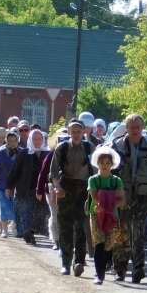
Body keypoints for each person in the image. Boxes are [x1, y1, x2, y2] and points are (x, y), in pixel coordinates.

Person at [111, 114, 147, 284]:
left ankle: (138, 268)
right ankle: (120, 269)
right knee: (120, 232)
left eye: (138, 127)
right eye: (131, 127)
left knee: (139, 233)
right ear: (126, 128)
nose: (135, 130)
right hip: (122, 196)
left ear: (142, 128)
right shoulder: (117, 146)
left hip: (143, 196)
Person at [50, 118, 95, 276]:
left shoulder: (90, 148)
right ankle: (66, 263)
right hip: (66, 188)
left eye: (79, 131)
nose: (76, 134)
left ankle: (79, 262)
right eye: (73, 131)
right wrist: (58, 187)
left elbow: (96, 172)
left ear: (84, 132)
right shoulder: (62, 148)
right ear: (69, 132)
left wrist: (95, 192)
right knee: (65, 226)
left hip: (84, 189)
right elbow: (54, 172)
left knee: (81, 226)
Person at [88, 145, 125, 285]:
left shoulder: (116, 180)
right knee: (99, 243)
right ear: (97, 163)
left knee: (109, 245)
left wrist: (110, 203)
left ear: (112, 164)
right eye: (102, 163)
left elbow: (123, 199)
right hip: (96, 215)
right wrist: (112, 197)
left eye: (107, 163)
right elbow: (94, 197)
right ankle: (99, 274)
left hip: (111, 216)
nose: (104, 165)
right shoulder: (93, 179)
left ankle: (105, 266)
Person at [6, 128, 50, 244]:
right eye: (35, 139)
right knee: (24, 212)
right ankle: (27, 233)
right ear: (31, 139)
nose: (37, 141)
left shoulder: (48, 154)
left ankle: (32, 232)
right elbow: (14, 171)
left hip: (41, 191)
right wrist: (9, 186)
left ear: (43, 140)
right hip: (25, 189)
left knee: (39, 214)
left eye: (39, 138)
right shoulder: (24, 153)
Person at [0, 129, 19, 237]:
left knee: (15, 207)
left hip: (16, 187)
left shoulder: (21, 152)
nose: (12, 143)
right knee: (4, 207)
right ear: (7, 141)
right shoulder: (2, 152)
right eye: (10, 141)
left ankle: (15, 228)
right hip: (2, 185)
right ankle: (4, 229)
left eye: (14, 141)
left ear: (17, 141)